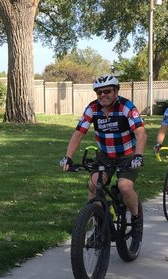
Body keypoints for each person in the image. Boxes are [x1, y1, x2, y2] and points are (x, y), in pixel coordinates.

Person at [60, 74, 147, 237]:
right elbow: (79, 133)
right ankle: (98, 226)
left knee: (124, 187)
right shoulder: (93, 108)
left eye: (107, 91)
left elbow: (141, 133)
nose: (102, 95)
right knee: (94, 185)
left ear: (116, 91)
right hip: (105, 154)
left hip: (127, 154)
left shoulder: (126, 107)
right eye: (98, 92)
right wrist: (68, 157)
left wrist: (138, 156)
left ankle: (136, 218)